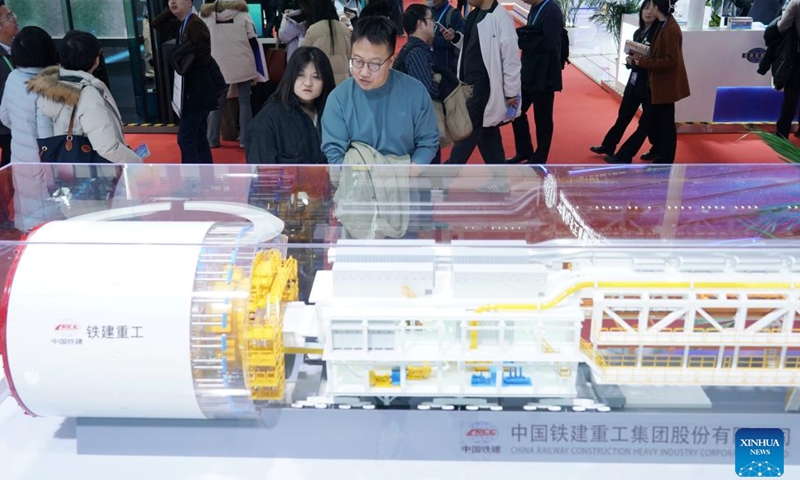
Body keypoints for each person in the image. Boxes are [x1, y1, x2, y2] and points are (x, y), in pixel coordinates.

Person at [321, 16, 439, 165]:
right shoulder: (338, 99)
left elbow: (427, 142)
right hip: (357, 182)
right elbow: (334, 154)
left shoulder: (416, 92)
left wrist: (410, 172)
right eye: (357, 61)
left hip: (405, 180)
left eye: (374, 64)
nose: (364, 72)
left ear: (391, 61)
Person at [28, 31, 142, 165]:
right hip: (95, 170)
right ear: (96, 59)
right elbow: (107, 147)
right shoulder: (87, 94)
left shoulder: (49, 87)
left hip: (68, 164)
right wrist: (135, 161)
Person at [444, 0, 521, 173]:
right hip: (470, 86)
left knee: (467, 132)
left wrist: (511, 93)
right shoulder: (473, 15)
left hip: (484, 89)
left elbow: (511, 60)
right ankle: (500, 182)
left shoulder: (501, 18)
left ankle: (444, 178)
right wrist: (456, 38)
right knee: (488, 135)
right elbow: (471, 47)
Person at [0, 26, 58, 231]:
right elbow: (47, 137)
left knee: (27, 209)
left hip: (19, 156)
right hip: (41, 163)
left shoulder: (13, 77)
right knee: (46, 218)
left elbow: (4, 117)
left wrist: (21, 131)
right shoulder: (46, 86)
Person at [153, 0, 220, 164]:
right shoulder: (185, 23)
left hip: (196, 91)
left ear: (190, 2)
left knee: (186, 138)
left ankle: (192, 178)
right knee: (197, 135)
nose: (172, 2)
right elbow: (156, 24)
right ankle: (204, 176)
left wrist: (185, 62)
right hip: (192, 89)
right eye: (170, 0)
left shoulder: (195, 24)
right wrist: (173, 10)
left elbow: (204, 56)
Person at [589, 1, 657, 160]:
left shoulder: (657, 35)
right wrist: (630, 60)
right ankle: (608, 145)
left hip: (648, 85)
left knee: (648, 123)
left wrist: (639, 61)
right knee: (624, 116)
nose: (648, 12)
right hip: (634, 81)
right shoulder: (639, 32)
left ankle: (654, 149)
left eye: (652, 9)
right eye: (645, 8)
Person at [244, 46, 335, 163]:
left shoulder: (331, 112)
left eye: (316, 77)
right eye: (300, 75)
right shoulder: (270, 118)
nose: (308, 83)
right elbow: (262, 171)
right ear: (290, 76)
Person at [631, 0, 689, 164]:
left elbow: (671, 60)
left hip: (666, 84)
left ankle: (666, 157)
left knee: (666, 123)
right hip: (658, 84)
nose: (649, 9)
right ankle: (658, 151)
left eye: (652, 6)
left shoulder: (670, 29)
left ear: (658, 7)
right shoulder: (663, 25)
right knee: (658, 121)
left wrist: (643, 62)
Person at [508, 0, 563, 165]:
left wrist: (525, 38)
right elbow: (534, 35)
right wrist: (527, 36)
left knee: (543, 117)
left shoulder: (551, 10)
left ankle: (540, 156)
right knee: (516, 111)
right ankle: (524, 150)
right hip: (529, 70)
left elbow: (549, 42)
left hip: (545, 74)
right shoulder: (535, 7)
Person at [200, 0, 259, 148]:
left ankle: (212, 139)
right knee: (245, 102)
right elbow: (253, 39)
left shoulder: (207, 16)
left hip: (218, 64)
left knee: (217, 103)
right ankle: (246, 140)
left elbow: (203, 41)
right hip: (242, 61)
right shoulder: (243, 14)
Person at [304, 0, 352, 85]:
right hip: (342, 80)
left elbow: (305, 55)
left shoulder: (313, 30)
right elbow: (349, 54)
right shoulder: (344, 29)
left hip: (321, 78)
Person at [775, 0, 800, 139]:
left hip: (796, 58)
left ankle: (782, 133)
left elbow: (781, 27)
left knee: (791, 96)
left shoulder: (796, 3)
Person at [0, 2, 18, 168]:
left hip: (18, 126)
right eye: (9, 17)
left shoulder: (18, 49)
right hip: (5, 128)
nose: (15, 19)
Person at [428, 0, 464, 77]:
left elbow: (460, 40)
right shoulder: (428, 12)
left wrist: (434, 41)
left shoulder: (454, 14)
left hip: (447, 66)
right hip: (429, 62)